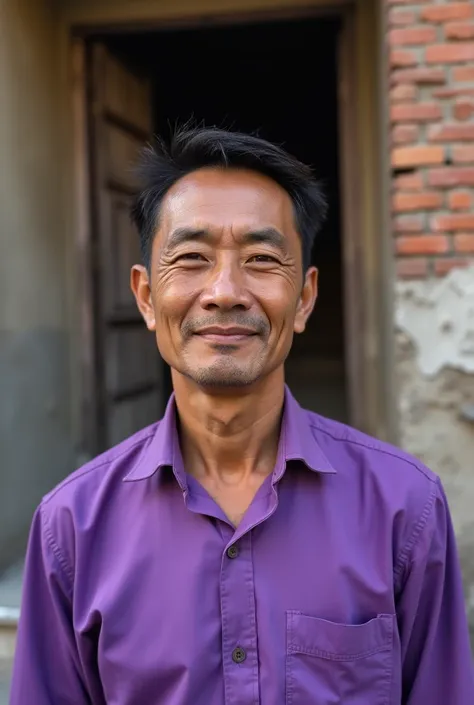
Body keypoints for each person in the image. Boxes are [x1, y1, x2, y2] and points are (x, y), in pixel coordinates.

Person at [10, 126, 474, 705]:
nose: (225, 291)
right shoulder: (71, 528)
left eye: (260, 259)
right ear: (147, 297)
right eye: (192, 258)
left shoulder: (405, 508)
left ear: (304, 298)